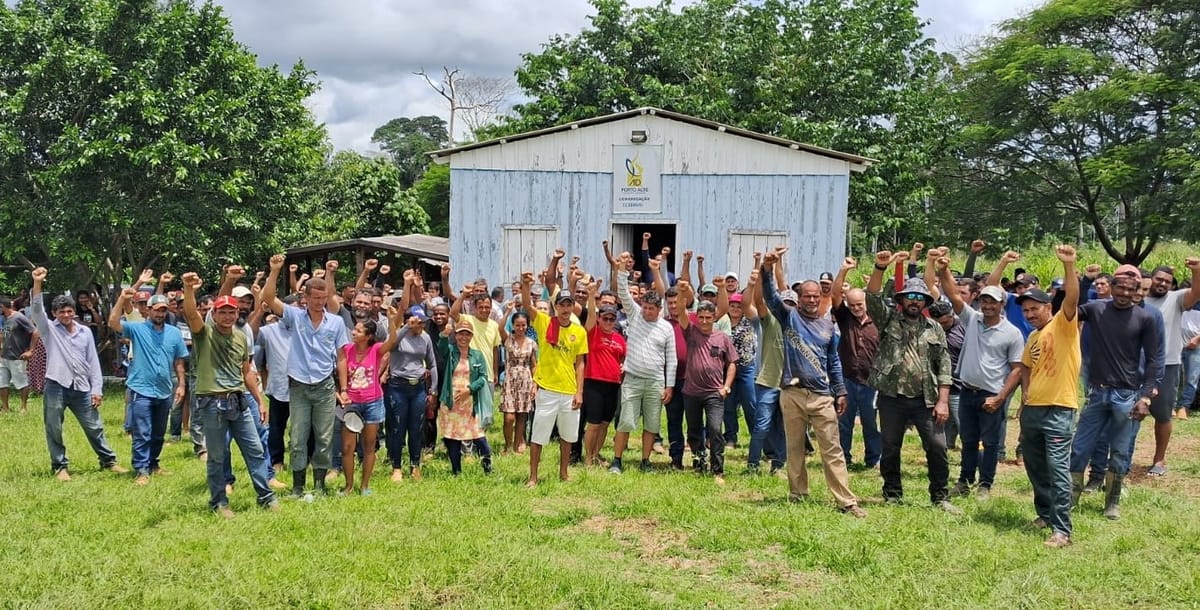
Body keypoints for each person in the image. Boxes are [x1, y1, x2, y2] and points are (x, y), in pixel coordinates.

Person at [761, 249, 866, 517]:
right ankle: (798, 493)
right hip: (792, 393)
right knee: (794, 447)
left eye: (815, 296)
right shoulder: (789, 317)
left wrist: (840, 391)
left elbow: (834, 362)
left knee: (832, 449)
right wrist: (767, 268)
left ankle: (846, 501)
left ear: (822, 299)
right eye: (806, 296)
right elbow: (770, 297)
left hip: (821, 396)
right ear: (798, 298)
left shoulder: (828, 327)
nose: (810, 299)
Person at [865, 251, 959, 513]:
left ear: (926, 301)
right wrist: (880, 267)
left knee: (938, 447)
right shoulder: (888, 321)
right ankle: (892, 493)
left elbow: (944, 365)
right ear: (902, 299)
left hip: (925, 400)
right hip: (892, 398)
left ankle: (940, 497)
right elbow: (871, 297)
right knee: (891, 447)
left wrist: (943, 401)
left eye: (920, 297)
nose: (915, 301)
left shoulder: (934, 328)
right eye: (910, 296)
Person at [1069, 264, 1163, 520]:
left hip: (1127, 396)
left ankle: (1112, 502)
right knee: (1079, 447)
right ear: (1110, 287)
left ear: (1136, 292)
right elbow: (1066, 310)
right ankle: (1071, 497)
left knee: (1120, 451)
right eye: (1119, 287)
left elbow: (1154, 360)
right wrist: (1083, 279)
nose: (1123, 292)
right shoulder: (1096, 309)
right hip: (1097, 393)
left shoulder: (1145, 319)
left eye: (1129, 289)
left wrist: (1145, 396)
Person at [180, 272, 279, 516]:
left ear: (237, 314)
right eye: (221, 311)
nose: (227, 316)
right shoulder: (204, 334)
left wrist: (260, 399)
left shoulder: (240, 338)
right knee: (217, 456)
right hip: (212, 403)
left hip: (239, 400)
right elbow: (191, 313)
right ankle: (219, 502)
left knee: (254, 450)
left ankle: (266, 497)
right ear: (214, 314)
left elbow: (246, 372)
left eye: (231, 312)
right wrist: (188, 288)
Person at [261, 254, 350, 498]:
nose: (320, 302)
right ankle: (298, 487)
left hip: (324, 386)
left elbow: (341, 357)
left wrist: (343, 389)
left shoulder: (336, 323)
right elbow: (268, 298)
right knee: (298, 437)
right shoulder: (294, 317)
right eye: (316, 298)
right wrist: (275, 270)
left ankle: (320, 486)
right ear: (305, 298)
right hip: (299, 386)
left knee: (323, 437)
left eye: (324, 298)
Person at [937, 259, 1025, 500]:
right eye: (984, 300)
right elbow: (954, 297)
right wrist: (944, 269)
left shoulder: (1012, 333)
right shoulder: (973, 319)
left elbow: (1017, 370)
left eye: (992, 302)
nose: (987, 305)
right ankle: (965, 481)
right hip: (967, 391)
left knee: (991, 442)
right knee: (968, 439)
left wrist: (1000, 397)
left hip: (991, 395)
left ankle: (985, 484)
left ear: (1001, 304)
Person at [30, 267, 129, 480]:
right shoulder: (50, 329)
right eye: (61, 312)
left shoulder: (84, 331)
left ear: (73, 311)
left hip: (82, 387)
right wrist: (37, 283)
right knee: (54, 427)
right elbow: (37, 310)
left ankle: (108, 461)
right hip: (56, 384)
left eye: (69, 311)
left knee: (94, 426)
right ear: (55, 314)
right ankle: (60, 466)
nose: (66, 315)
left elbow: (93, 362)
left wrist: (97, 389)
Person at [1015, 245, 1080, 548]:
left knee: (1057, 468)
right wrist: (1026, 391)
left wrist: (1069, 266)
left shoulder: (1063, 325)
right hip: (1033, 411)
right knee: (1035, 465)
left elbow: (1072, 298)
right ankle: (1044, 513)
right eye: (1025, 311)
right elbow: (1026, 366)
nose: (1029, 315)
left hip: (1059, 410)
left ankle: (1062, 530)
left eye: (1034, 309)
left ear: (1047, 307)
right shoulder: (1032, 336)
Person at [108, 290, 188, 484]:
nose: (160, 314)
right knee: (142, 432)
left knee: (159, 432)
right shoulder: (137, 329)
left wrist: (182, 384)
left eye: (163, 310)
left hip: (164, 390)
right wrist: (121, 299)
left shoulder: (174, 333)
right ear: (149, 310)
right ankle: (141, 469)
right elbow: (113, 323)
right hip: (141, 389)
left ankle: (153, 463)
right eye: (156, 310)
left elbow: (178, 360)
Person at [609, 248, 676, 474]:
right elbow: (624, 294)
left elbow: (672, 359)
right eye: (645, 307)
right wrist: (621, 271)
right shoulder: (635, 315)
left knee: (652, 424)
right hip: (633, 379)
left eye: (651, 308)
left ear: (659, 309)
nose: (646, 311)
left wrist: (670, 386)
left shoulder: (666, 328)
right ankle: (617, 460)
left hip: (656, 382)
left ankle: (645, 461)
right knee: (625, 421)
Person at [520, 267, 587, 487]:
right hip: (547, 390)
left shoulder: (579, 332)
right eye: (562, 304)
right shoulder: (545, 323)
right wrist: (527, 286)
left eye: (569, 304)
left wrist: (579, 392)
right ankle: (533, 476)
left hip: (569, 391)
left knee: (568, 436)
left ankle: (564, 472)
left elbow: (580, 363)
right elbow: (528, 306)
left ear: (573, 307)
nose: (566, 308)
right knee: (538, 436)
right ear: (555, 306)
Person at [675, 281, 737, 485]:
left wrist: (726, 386)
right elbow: (682, 313)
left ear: (714, 318)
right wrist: (684, 293)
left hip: (714, 393)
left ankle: (717, 470)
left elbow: (732, 364)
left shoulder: (722, 338)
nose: (703, 321)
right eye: (700, 317)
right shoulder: (690, 331)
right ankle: (699, 464)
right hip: (691, 391)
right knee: (693, 430)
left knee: (715, 429)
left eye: (707, 318)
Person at [1141, 261, 1200, 475]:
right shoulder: (1137, 300)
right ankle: (1122, 459)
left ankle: (1159, 460)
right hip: (1136, 365)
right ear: (1151, 279)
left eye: (1167, 281)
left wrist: (1196, 271)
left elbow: (1197, 291)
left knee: (1163, 415)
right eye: (1159, 279)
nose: (1163, 283)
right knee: (1128, 413)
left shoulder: (1176, 300)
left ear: (1171, 285)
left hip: (1168, 365)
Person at [336, 317, 398, 495]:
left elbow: (392, 340)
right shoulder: (346, 350)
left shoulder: (376, 349)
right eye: (354, 329)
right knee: (347, 447)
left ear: (369, 336)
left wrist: (393, 320)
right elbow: (339, 371)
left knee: (369, 446)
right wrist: (343, 390)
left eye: (358, 331)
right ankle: (348, 486)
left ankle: (364, 486)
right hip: (351, 403)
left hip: (373, 402)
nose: (353, 333)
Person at [830, 257, 881, 469]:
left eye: (859, 304)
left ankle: (873, 459)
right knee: (844, 422)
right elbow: (834, 295)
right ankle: (844, 457)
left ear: (866, 303)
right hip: (848, 379)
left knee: (870, 424)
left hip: (871, 381)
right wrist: (843, 271)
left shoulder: (878, 319)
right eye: (852, 305)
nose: (856, 308)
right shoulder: (845, 318)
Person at [386, 305, 438, 481]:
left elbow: (432, 364)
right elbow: (391, 345)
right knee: (397, 427)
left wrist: (433, 390)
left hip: (418, 387)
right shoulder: (400, 335)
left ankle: (415, 464)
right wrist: (407, 327)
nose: (421, 326)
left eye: (423, 322)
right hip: (398, 386)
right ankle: (396, 467)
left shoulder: (425, 338)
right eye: (418, 322)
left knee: (417, 428)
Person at [439, 320, 494, 475]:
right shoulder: (450, 351)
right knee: (453, 437)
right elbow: (441, 348)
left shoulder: (477, 355)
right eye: (460, 333)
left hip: (470, 402)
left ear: (471, 336)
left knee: (479, 436)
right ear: (455, 336)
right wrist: (444, 335)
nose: (463, 337)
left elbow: (483, 377)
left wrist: (469, 390)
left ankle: (488, 468)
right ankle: (456, 470)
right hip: (452, 402)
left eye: (467, 334)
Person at [581, 281, 627, 469]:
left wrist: (623, 366)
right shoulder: (593, 333)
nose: (608, 322)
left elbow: (623, 357)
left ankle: (595, 454)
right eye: (605, 318)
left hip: (613, 385)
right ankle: (588, 459)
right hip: (594, 383)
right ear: (599, 319)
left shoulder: (619, 339)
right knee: (593, 424)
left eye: (611, 319)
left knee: (605, 423)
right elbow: (591, 315)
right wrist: (592, 296)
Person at [501, 311, 537, 454]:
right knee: (509, 417)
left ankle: (517, 446)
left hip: (526, 380)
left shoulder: (531, 343)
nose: (521, 328)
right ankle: (508, 444)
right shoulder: (508, 339)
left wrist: (535, 385)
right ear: (513, 325)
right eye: (517, 325)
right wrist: (507, 312)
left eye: (523, 325)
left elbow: (534, 364)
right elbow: (500, 328)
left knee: (522, 415)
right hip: (510, 380)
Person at [1, 296, 40, 414]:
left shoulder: (18, 317)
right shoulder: (4, 318)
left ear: (2, 306)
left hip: (17, 356)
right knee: (2, 382)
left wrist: (31, 350)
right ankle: (5, 407)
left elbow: (35, 332)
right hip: (3, 356)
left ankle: (23, 407)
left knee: (21, 382)